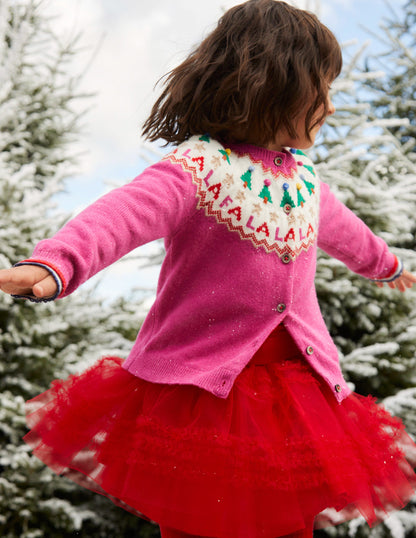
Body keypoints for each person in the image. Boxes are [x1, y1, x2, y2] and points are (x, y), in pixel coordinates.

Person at [1, 1, 415, 537]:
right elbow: (120, 216)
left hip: (296, 398)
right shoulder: (198, 168)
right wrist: (55, 263)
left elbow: (349, 235)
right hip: (203, 395)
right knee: (199, 523)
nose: (332, 107)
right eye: (323, 90)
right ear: (278, 85)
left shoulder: (307, 183)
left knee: (289, 525)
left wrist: (387, 267)